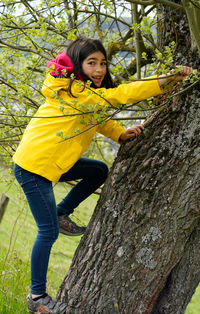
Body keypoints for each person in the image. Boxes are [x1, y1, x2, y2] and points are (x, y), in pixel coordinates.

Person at [13, 37, 193, 313]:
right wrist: (165, 79)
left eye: (102, 63)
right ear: (77, 65)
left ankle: (62, 212)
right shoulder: (75, 93)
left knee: (98, 170)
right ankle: (36, 296)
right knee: (47, 233)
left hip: (53, 163)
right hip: (34, 169)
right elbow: (117, 96)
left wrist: (118, 133)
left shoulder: (83, 93)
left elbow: (95, 118)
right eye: (91, 63)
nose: (99, 69)